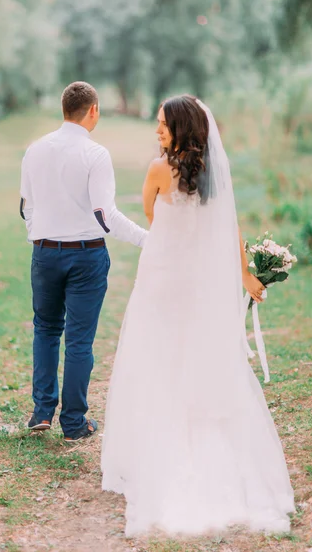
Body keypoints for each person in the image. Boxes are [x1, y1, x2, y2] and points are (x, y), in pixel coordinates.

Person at [101, 95, 295, 537]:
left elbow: (153, 216)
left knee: (156, 361)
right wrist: (244, 274)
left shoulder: (157, 170)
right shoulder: (213, 178)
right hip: (196, 282)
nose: (157, 131)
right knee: (196, 358)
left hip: (163, 279)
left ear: (180, 129)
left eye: (163, 125)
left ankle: (156, 453)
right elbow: (229, 227)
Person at [20, 81, 147, 441]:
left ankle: (42, 411)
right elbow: (105, 214)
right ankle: (74, 423)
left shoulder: (34, 149)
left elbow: (25, 205)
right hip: (86, 255)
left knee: (45, 329)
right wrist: (146, 240)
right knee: (78, 340)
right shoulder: (95, 154)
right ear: (92, 111)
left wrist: (39, 234)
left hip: (44, 253)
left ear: (64, 109)